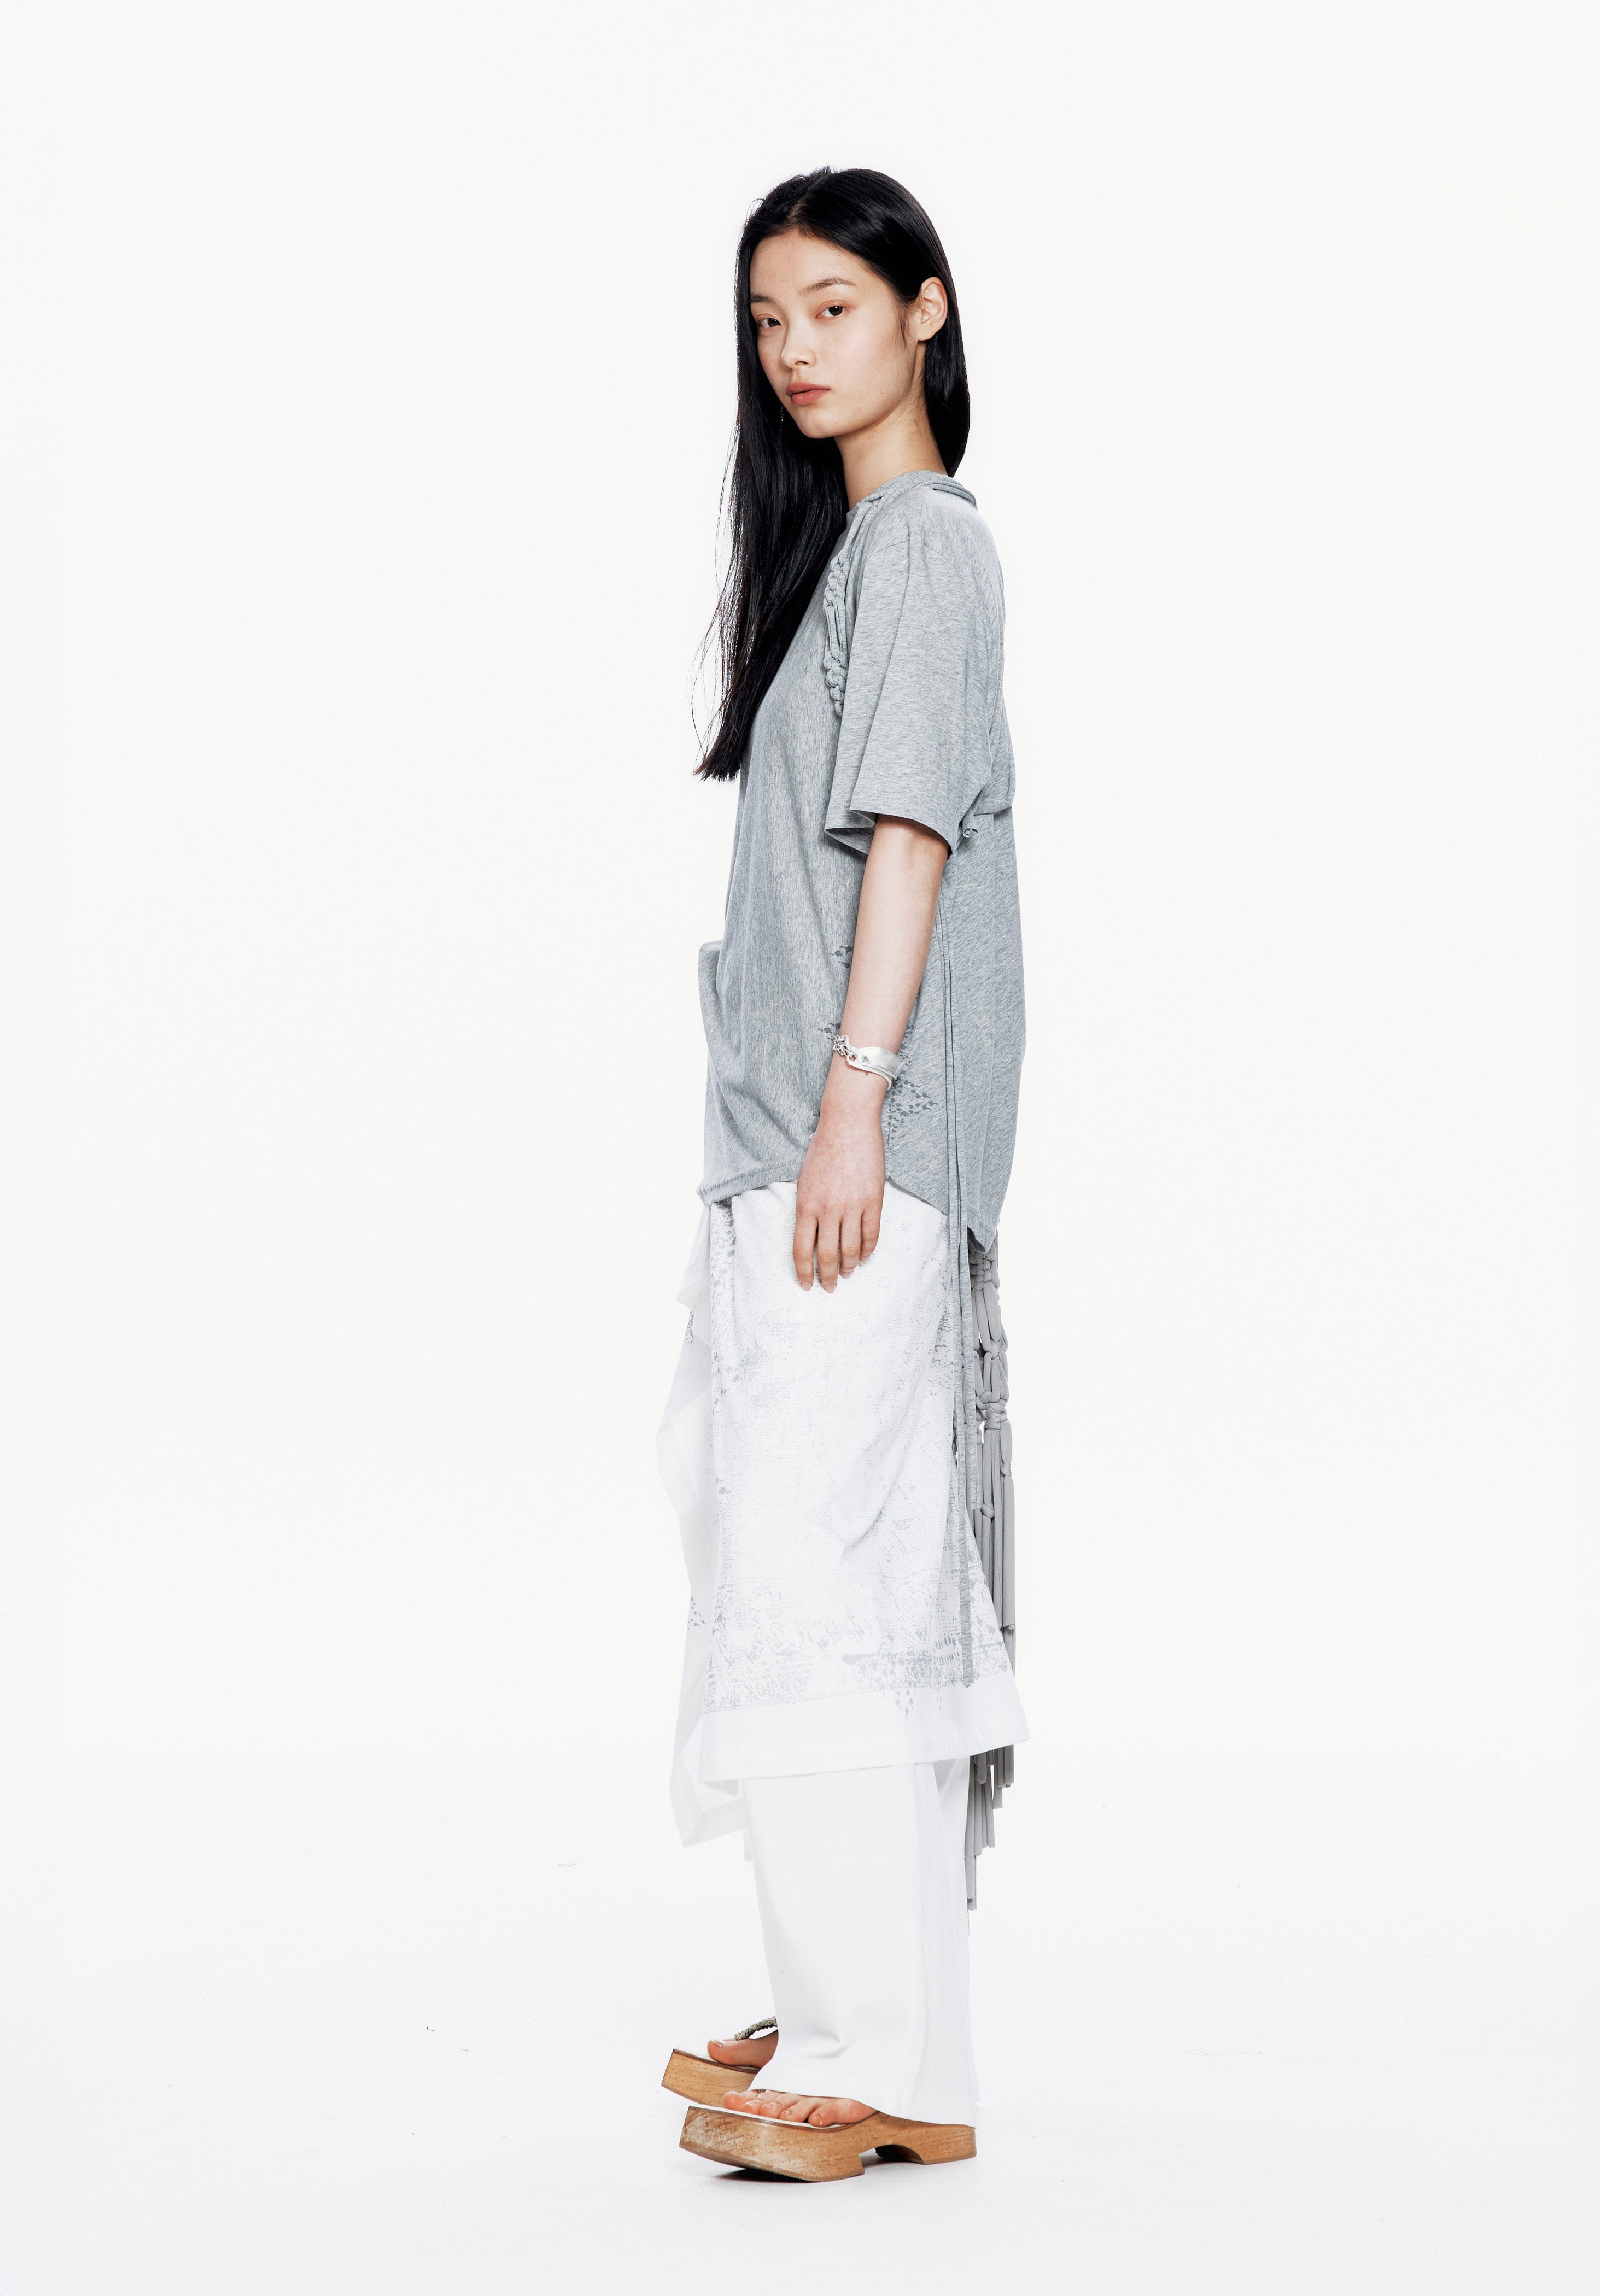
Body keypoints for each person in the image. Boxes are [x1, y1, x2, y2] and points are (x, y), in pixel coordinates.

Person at [656, 166, 1028, 2183]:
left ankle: (870, 2052)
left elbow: (911, 840)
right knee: (806, 1564)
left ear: (924, 309)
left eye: (832, 307)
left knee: (824, 1574)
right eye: (767, 320)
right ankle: (874, 2027)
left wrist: (855, 1103)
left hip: (851, 1145)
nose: (795, 350)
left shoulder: (928, 550)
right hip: (797, 1139)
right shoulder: (855, 553)